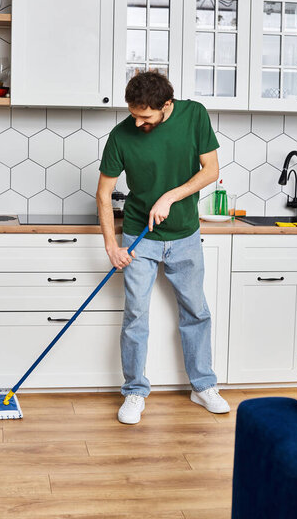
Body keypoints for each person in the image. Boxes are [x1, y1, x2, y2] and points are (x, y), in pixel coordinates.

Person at [96, 71, 230, 425]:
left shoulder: (194, 115)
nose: (137, 122)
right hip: (141, 235)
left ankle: (202, 386)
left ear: (166, 105)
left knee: (196, 311)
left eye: (146, 116)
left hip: (185, 233)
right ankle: (135, 392)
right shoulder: (120, 135)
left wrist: (170, 196)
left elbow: (210, 170)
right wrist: (112, 245)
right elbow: (104, 193)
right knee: (136, 315)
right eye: (133, 114)